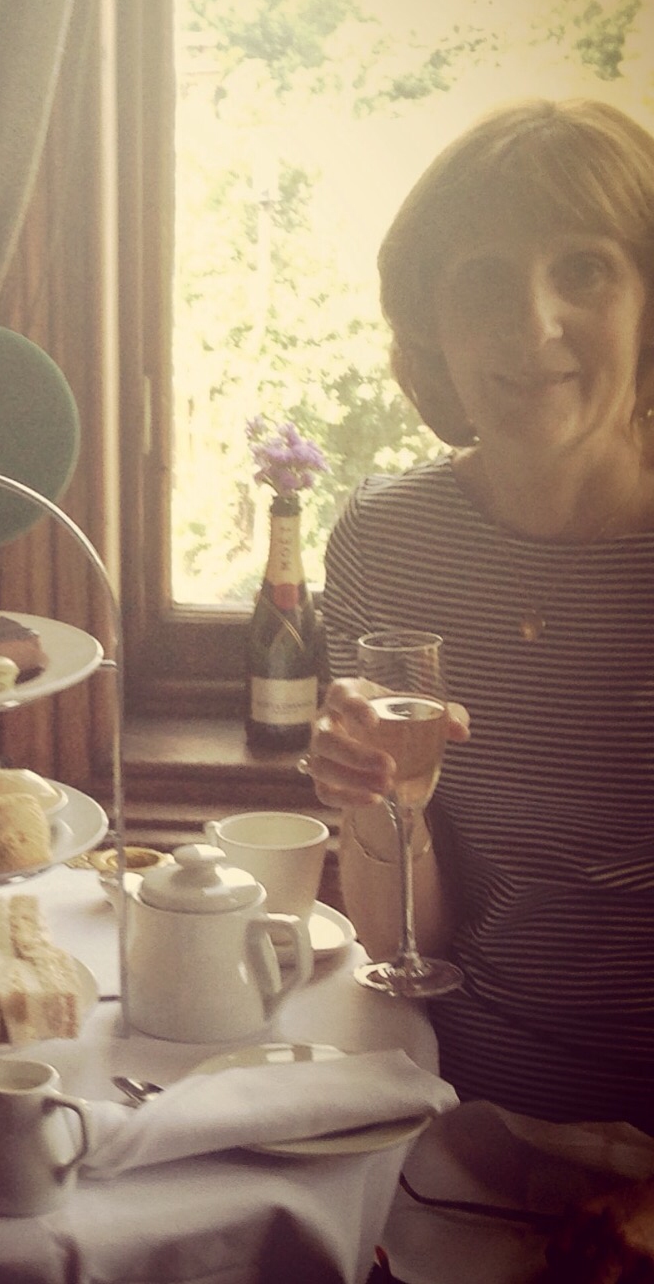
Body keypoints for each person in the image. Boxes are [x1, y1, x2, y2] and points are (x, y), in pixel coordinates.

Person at [302, 99, 654, 1280]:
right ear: (431, 327)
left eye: (584, 270)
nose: (534, 323)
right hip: (460, 1119)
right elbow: (405, 939)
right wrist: (378, 804)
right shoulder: (385, 542)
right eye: (484, 280)